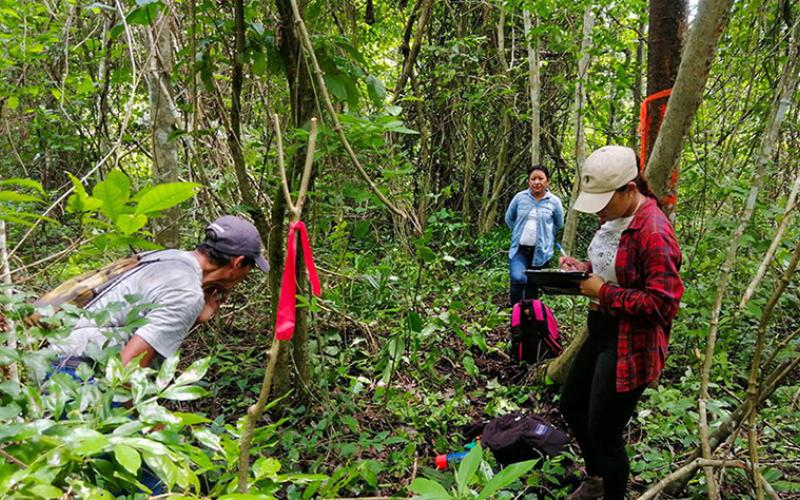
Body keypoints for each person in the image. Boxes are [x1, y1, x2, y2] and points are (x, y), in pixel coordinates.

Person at [557, 146, 683, 500]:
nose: (598, 210)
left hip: (631, 342)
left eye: (603, 200)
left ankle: (611, 491)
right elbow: (616, 267)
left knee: (605, 431)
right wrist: (583, 271)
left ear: (629, 189)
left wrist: (605, 292)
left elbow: (663, 304)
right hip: (601, 330)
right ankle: (596, 478)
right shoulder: (614, 218)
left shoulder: (654, 232)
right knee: (571, 404)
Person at [48, 215, 269, 370]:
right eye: (250, 268)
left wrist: (198, 318)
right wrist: (157, 428)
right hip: (78, 369)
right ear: (238, 263)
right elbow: (127, 374)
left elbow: (139, 322)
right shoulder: (186, 294)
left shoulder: (164, 257)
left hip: (54, 355)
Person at [505, 165, 564, 304]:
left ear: (547, 181)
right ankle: (516, 315)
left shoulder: (554, 202)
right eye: (533, 179)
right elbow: (509, 218)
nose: (536, 182)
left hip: (541, 253)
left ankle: (529, 319)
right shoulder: (520, 198)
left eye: (540, 178)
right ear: (529, 181)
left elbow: (558, 224)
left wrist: (545, 237)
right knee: (518, 279)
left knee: (532, 288)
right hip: (520, 250)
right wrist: (519, 232)